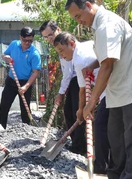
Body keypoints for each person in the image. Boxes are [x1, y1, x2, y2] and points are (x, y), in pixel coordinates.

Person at [65, 0, 132, 179]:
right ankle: (114, 175)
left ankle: (130, 176)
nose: (78, 21)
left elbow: (107, 65)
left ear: (89, 6)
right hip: (118, 91)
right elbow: (105, 56)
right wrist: (91, 66)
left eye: (78, 16)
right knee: (116, 139)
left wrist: (90, 105)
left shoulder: (107, 24)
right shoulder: (98, 25)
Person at [53, 32, 110, 174]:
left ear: (72, 44)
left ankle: (100, 169)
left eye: (61, 50)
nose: (61, 55)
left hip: (108, 93)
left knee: (100, 127)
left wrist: (80, 110)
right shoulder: (89, 44)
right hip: (111, 90)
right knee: (108, 128)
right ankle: (107, 166)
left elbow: (82, 90)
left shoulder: (78, 60)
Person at [39, 21, 86, 155]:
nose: (49, 39)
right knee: (68, 113)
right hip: (73, 81)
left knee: (77, 112)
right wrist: (61, 93)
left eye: (51, 34)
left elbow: (69, 73)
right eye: (46, 37)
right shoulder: (59, 48)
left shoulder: (67, 45)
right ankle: (76, 144)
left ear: (58, 29)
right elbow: (67, 74)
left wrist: (60, 93)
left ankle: (80, 147)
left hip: (80, 80)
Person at [0, 26, 41, 129]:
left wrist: (26, 86)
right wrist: (6, 58)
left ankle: (26, 129)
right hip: (11, 81)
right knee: (4, 105)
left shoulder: (34, 53)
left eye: (30, 41)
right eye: (25, 40)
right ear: (20, 37)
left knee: (25, 110)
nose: (27, 43)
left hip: (26, 82)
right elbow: (3, 55)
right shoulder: (14, 44)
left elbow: (35, 72)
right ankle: (1, 127)